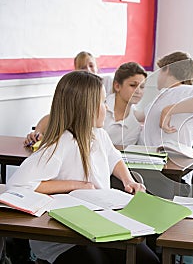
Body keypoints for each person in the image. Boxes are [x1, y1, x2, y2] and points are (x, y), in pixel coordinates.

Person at [7, 71, 159, 264]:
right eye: (103, 102)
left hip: (100, 223)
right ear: (87, 108)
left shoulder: (99, 134)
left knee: (147, 259)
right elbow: (19, 185)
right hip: (64, 236)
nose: (106, 107)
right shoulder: (60, 143)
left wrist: (129, 181)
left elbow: (115, 159)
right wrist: (76, 185)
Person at [24, 51, 113, 147]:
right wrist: (37, 134)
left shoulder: (101, 135)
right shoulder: (72, 92)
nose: (88, 69)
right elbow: (55, 117)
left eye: (91, 65)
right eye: (83, 67)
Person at [140, 51, 193, 149]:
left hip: (169, 157)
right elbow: (141, 116)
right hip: (149, 155)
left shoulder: (186, 90)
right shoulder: (163, 95)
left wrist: (168, 110)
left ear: (166, 69)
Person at [103, 62, 147, 146]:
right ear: (117, 86)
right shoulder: (97, 108)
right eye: (133, 85)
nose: (138, 91)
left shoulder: (135, 126)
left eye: (142, 87)